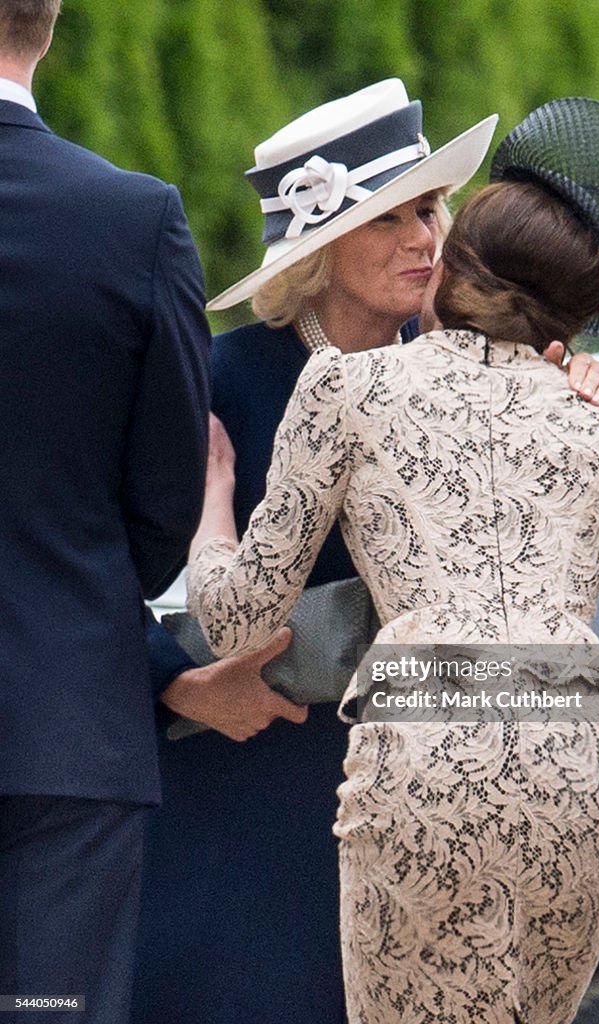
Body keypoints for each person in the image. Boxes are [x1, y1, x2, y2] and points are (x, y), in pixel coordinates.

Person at [186, 96, 599, 1024]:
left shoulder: (347, 388)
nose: (418, 238)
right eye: (388, 214)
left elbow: (234, 619)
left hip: (420, 753)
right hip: (583, 761)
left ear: (458, 257)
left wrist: (211, 516)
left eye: (431, 213)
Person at [0, 3, 211, 1022]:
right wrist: (75, 601)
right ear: (46, 29)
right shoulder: (135, 218)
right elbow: (164, 501)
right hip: (67, 730)